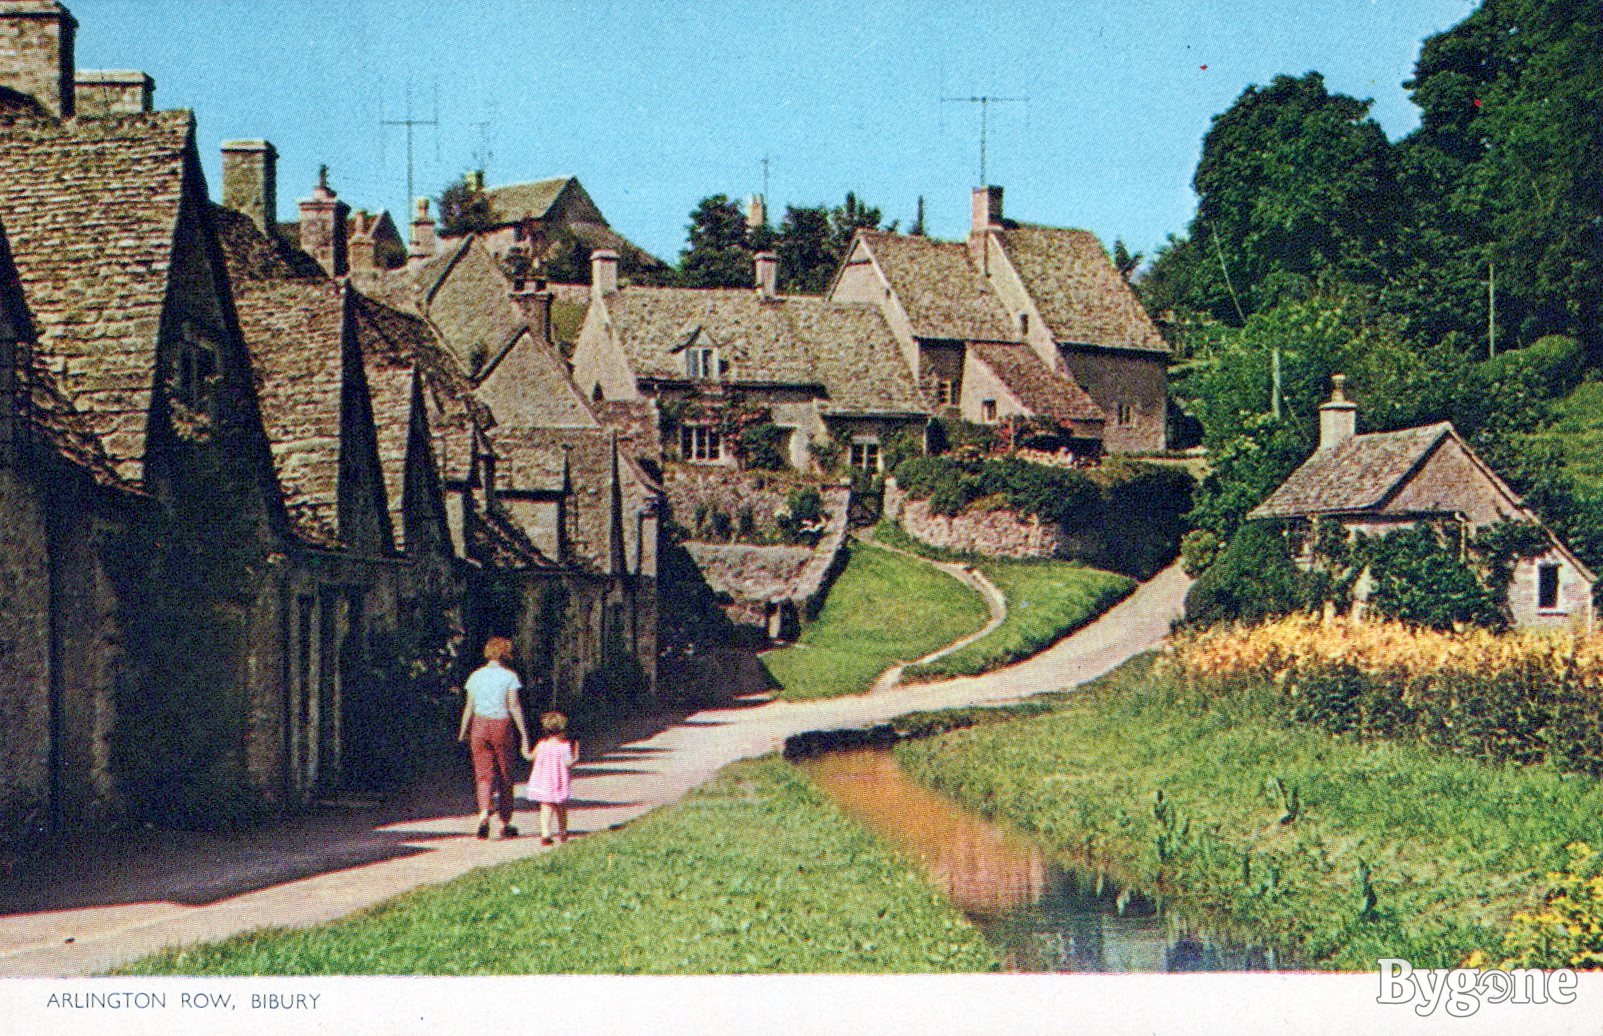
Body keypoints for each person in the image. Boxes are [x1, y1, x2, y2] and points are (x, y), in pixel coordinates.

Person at [457, 635, 530, 839]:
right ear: (505, 653)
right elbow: (513, 706)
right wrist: (524, 735)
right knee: (505, 773)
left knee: (483, 774)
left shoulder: (476, 676)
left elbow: (469, 706)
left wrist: (463, 731)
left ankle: (483, 814)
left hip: (479, 725)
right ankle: (505, 821)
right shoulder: (509, 677)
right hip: (501, 724)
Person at [524, 711, 578, 845]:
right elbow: (569, 763)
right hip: (559, 783)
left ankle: (545, 833)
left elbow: (530, 756)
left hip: (544, 783)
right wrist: (576, 755)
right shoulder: (565, 747)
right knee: (561, 809)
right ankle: (563, 831)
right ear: (562, 730)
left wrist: (523, 748)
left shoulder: (542, 745)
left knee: (545, 808)